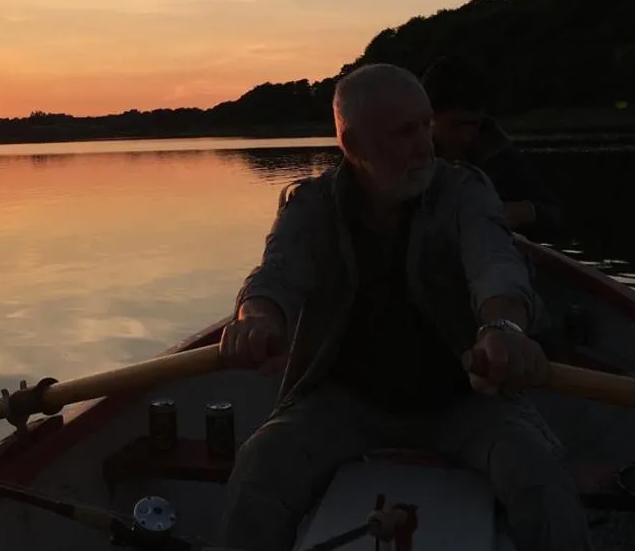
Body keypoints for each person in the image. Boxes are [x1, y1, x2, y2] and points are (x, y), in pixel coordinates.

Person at [216, 64, 591, 551]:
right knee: (259, 465)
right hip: (344, 403)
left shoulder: (464, 191)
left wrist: (502, 327)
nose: (425, 146)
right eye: (404, 132)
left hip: (464, 400)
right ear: (352, 143)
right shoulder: (310, 204)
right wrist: (257, 319)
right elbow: (276, 276)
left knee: (538, 472)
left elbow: (495, 264)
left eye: (425, 125)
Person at [421, 55, 566, 243]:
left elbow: (555, 214)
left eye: (473, 124)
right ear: (428, 119)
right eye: (456, 125)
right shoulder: (404, 154)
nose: (467, 136)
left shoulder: (499, 154)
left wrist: (525, 212)